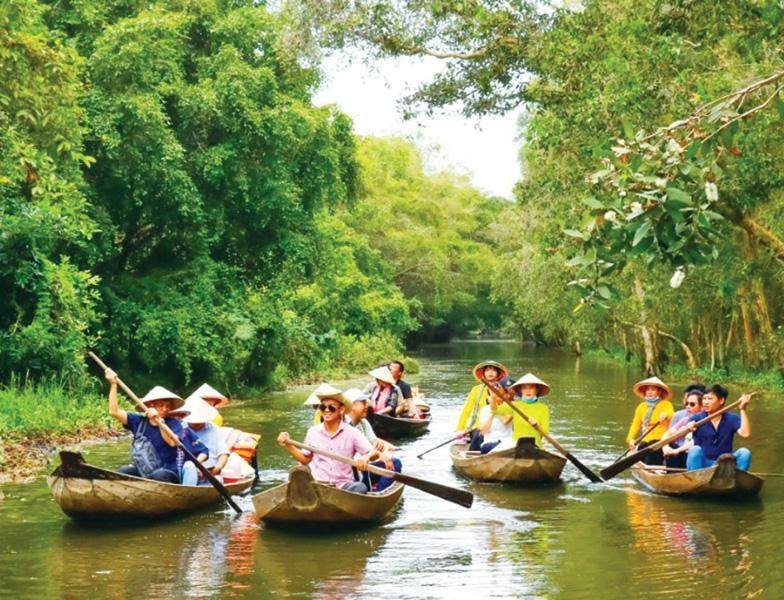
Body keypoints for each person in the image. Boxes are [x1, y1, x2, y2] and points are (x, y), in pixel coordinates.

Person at [277, 385, 381, 493]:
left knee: (360, 487)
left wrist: (366, 458)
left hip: (343, 486)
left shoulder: (352, 432)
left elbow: (374, 453)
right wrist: (289, 445)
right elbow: (305, 459)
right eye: (323, 407)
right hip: (319, 485)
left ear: (341, 410)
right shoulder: (313, 432)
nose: (326, 410)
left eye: (331, 407)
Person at [105, 369, 185, 483]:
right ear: (151, 405)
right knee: (123, 471)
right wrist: (113, 384)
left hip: (167, 472)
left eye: (168, 406)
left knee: (159, 474)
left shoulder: (173, 423)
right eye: (161, 405)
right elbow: (114, 412)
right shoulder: (138, 421)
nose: (165, 409)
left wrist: (160, 421)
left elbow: (172, 442)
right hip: (144, 470)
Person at [343, 388, 402, 491]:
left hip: (367, 466)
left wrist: (383, 449)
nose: (367, 406)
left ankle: (377, 490)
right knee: (396, 463)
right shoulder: (345, 427)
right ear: (352, 406)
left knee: (392, 462)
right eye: (363, 403)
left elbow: (374, 441)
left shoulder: (364, 423)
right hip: (355, 470)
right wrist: (377, 454)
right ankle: (378, 492)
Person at [685, 384, 752, 471]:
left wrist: (742, 409)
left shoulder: (731, 418)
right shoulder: (697, 419)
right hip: (704, 464)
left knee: (745, 452)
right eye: (704, 399)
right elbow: (679, 433)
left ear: (721, 400)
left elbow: (745, 434)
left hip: (725, 465)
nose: (705, 402)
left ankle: (735, 480)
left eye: (710, 399)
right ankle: (697, 480)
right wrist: (688, 428)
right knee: (695, 450)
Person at [177, 397, 231, 486]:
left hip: (210, 473)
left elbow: (223, 453)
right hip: (188, 471)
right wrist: (195, 468)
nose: (197, 423)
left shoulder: (214, 429)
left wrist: (218, 467)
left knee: (218, 481)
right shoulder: (181, 429)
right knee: (189, 468)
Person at [493, 373, 551, 449]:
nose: (528, 391)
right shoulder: (514, 405)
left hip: (536, 445)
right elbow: (495, 411)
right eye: (524, 388)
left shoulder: (544, 408)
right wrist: (493, 398)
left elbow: (545, 432)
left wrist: (536, 425)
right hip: (516, 444)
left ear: (537, 390)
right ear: (520, 390)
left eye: (531, 388)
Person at [625, 376, 674, 466]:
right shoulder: (641, 407)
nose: (650, 392)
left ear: (659, 392)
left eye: (653, 390)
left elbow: (671, 414)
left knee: (653, 446)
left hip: (661, 438)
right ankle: (645, 467)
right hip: (646, 437)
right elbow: (636, 425)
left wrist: (666, 415)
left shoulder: (666, 404)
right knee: (643, 446)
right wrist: (630, 439)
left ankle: (653, 468)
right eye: (648, 390)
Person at [456, 360, 511, 432]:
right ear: (484, 373)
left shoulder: (504, 390)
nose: (490, 373)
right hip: (479, 426)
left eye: (494, 370)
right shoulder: (476, 390)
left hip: (498, 425)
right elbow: (467, 410)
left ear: (498, 374)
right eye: (487, 370)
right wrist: (460, 428)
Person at [661, 390, 704, 469]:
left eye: (692, 404)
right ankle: (671, 477)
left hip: (694, 454)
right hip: (681, 452)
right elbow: (667, 434)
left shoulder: (706, 421)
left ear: (702, 407)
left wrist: (677, 451)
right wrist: (665, 447)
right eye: (687, 403)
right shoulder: (685, 420)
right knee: (671, 447)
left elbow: (694, 443)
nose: (688, 406)